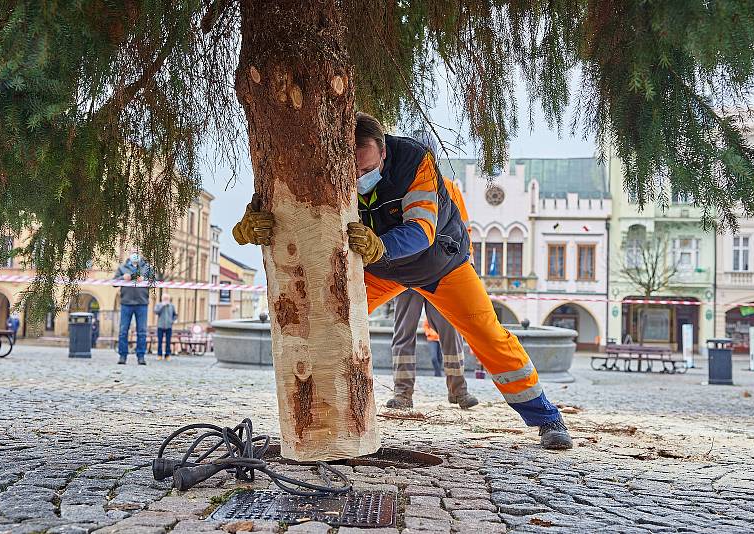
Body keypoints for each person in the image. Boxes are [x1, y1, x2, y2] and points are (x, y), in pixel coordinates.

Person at [232, 112, 573, 449]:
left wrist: (380, 246)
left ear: (384, 150)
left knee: (489, 335)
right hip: (380, 270)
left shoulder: (414, 160)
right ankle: (322, 419)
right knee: (327, 320)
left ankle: (546, 417)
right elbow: (293, 207)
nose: (360, 176)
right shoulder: (329, 163)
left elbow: (422, 231)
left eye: (367, 169)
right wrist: (254, 221)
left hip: (439, 266)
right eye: (353, 171)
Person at [388, 130, 480, 410]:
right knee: (404, 332)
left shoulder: (450, 189)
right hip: (406, 272)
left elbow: (462, 231)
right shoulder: (399, 187)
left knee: (450, 331)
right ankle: (403, 393)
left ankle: (458, 390)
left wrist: (468, 264)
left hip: (441, 271)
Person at [114, 252, 154, 365]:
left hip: (142, 303)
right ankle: (122, 356)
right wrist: (123, 278)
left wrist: (145, 279)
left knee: (142, 332)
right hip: (126, 303)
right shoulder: (122, 268)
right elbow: (114, 282)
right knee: (123, 331)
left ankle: (141, 356)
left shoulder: (147, 267)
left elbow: (155, 280)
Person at [154, 293, 177, 361]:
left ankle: (167, 355)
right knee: (160, 341)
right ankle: (159, 355)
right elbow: (156, 312)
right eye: (165, 299)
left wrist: (172, 321)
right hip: (160, 326)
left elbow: (175, 315)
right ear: (162, 299)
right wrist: (162, 306)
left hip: (168, 326)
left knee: (168, 341)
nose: (166, 300)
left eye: (167, 299)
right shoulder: (158, 305)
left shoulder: (172, 306)